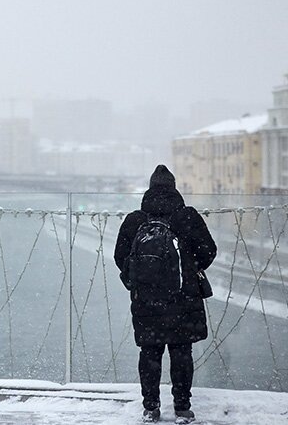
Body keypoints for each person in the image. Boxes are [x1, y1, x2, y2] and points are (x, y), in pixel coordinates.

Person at [114, 165, 217, 424]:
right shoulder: (188, 217)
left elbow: (120, 256)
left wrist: (140, 280)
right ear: (174, 188)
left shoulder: (135, 220)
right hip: (184, 299)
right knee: (181, 353)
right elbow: (208, 251)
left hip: (146, 301)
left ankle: (151, 407)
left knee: (150, 353)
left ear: (149, 190)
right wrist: (188, 270)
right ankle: (182, 407)